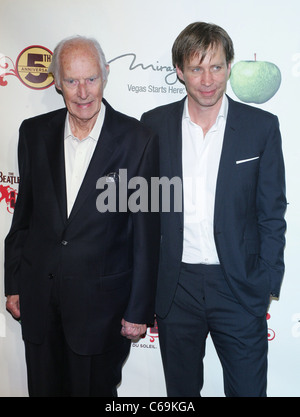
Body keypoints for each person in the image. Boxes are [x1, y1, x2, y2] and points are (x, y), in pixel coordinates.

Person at [5, 36, 160, 397]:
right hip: (39, 302)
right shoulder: (33, 132)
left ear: (105, 75)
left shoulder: (139, 140)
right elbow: (22, 217)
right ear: (56, 81)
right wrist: (13, 282)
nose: (83, 92)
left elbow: (146, 237)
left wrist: (139, 309)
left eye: (91, 79)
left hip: (101, 311)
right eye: (72, 81)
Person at [141, 22, 286, 397]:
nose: (207, 80)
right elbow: (144, 214)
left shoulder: (261, 127)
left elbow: (272, 213)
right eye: (196, 68)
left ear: (230, 66)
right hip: (177, 288)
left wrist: (266, 280)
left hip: (238, 285)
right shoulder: (153, 126)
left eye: (216, 67)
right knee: (181, 396)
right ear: (179, 72)